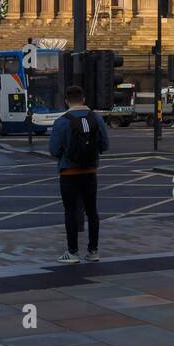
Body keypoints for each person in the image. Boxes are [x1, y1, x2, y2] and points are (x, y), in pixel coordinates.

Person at [48, 85, 110, 264]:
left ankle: (72, 252)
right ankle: (93, 251)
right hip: (91, 172)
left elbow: (53, 150)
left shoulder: (61, 121)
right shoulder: (96, 119)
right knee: (92, 211)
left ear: (66, 101)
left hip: (68, 173)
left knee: (70, 212)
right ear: (83, 99)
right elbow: (105, 146)